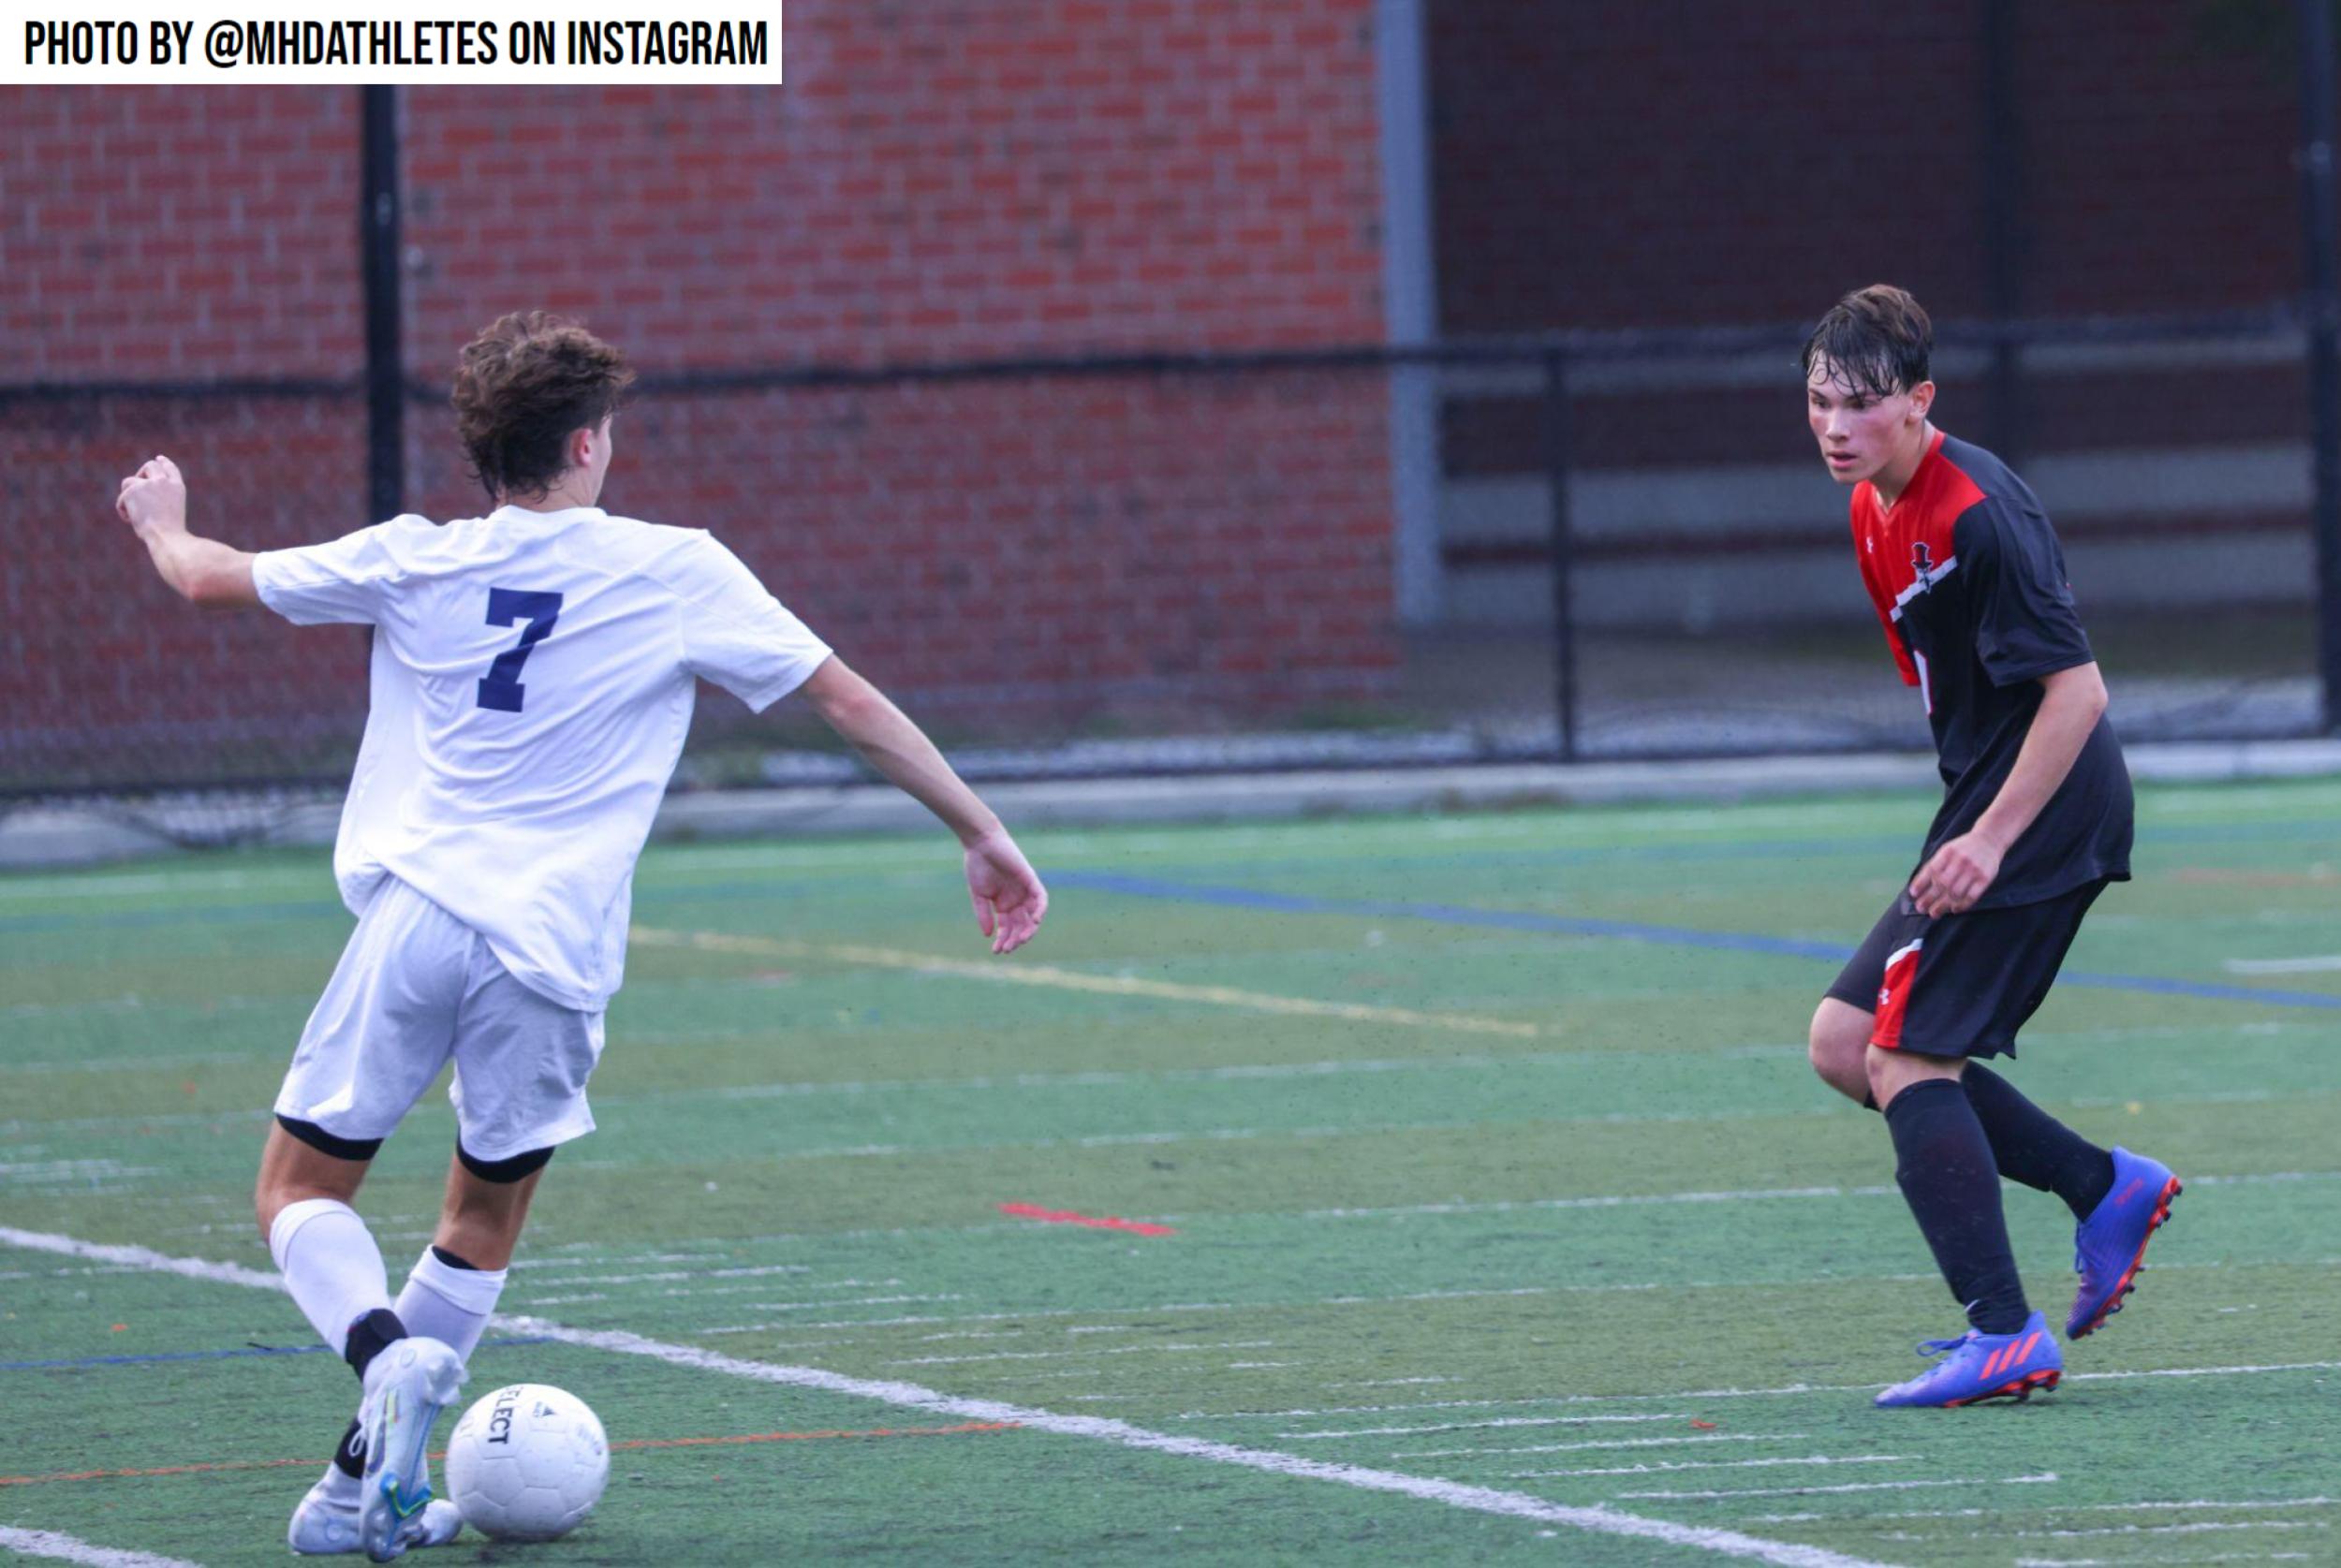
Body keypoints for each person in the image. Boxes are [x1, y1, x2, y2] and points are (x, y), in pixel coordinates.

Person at [111, 312, 1049, 1558]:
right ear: (592, 444)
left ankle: (366, 1440)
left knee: (298, 1186)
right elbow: (850, 702)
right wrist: (982, 833)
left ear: (483, 457)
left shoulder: (415, 556)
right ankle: (364, 1473)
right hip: (551, 953)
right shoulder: (677, 568)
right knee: (478, 1218)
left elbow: (204, 574)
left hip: (417, 920)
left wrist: (163, 516)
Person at [1800, 285, 2181, 1409]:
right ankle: (2101, 1184)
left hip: (2044, 807)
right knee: (1844, 1039)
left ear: (1920, 402)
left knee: (1904, 1058)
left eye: (1861, 405)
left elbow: (2077, 691)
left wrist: (1988, 839)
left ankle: (2005, 1333)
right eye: (1818, 400)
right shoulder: (1869, 505)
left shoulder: (1979, 511)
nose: (1834, 425)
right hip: (1986, 799)